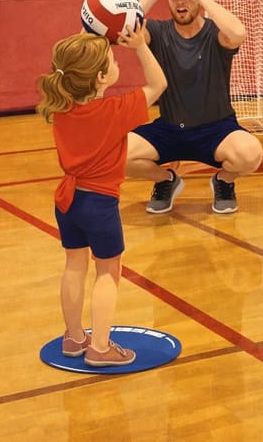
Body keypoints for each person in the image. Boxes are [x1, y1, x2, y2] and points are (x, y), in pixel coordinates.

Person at [36, 21, 167, 366]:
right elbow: (159, 84)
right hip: (99, 204)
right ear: (100, 78)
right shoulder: (114, 110)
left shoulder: (62, 108)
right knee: (108, 271)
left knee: (74, 266)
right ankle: (100, 347)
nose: (117, 62)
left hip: (67, 201)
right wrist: (139, 45)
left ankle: (74, 337)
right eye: (112, 60)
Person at [126, 0, 263, 214]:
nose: (180, 2)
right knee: (117, 154)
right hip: (169, 129)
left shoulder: (216, 33)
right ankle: (165, 181)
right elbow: (125, 28)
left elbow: (239, 33)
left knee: (250, 154)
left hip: (217, 130)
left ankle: (224, 181)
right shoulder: (157, 30)